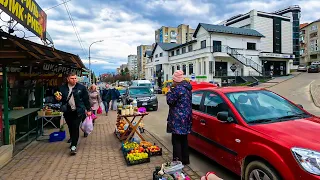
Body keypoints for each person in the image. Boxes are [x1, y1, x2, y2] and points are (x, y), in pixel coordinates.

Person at [55, 73, 91, 155]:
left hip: (78, 111)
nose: (74, 80)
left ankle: (74, 145)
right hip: (68, 111)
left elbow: (86, 99)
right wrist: (58, 99)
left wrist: (88, 109)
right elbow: (59, 99)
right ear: (68, 79)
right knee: (70, 127)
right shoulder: (62, 88)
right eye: (72, 78)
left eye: (75, 78)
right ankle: (72, 138)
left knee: (75, 127)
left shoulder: (81, 88)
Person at [166, 70, 192, 165]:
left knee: (176, 140)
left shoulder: (178, 89)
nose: (172, 82)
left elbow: (170, 101)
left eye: (173, 80)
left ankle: (177, 161)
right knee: (184, 139)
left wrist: (169, 92)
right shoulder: (187, 88)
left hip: (177, 118)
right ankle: (185, 160)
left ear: (176, 80)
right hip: (186, 117)